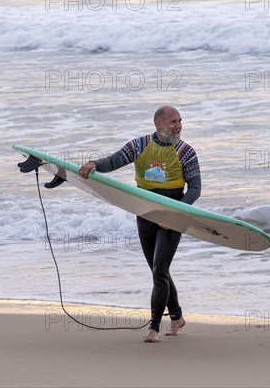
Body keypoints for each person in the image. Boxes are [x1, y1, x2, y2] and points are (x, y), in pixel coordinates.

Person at [79, 105, 201, 343]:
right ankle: (177, 317)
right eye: (174, 122)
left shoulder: (186, 152)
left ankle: (154, 327)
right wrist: (94, 164)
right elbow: (114, 161)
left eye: (180, 121)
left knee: (159, 270)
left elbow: (195, 189)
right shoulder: (140, 145)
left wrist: (174, 214)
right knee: (158, 270)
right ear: (159, 124)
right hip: (144, 212)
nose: (179, 126)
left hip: (172, 215)